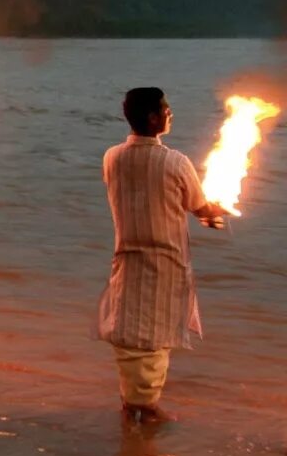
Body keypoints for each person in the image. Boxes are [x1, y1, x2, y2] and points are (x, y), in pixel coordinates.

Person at [96, 88, 228, 425]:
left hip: (127, 259)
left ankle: (133, 404)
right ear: (153, 117)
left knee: (130, 333)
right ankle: (148, 408)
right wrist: (213, 211)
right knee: (154, 339)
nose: (170, 113)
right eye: (166, 109)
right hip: (165, 262)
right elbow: (198, 206)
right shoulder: (175, 162)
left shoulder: (112, 157)